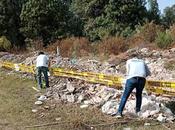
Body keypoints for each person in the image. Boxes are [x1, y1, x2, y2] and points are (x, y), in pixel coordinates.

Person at [115, 54, 151, 118]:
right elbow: (148, 73)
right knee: (139, 95)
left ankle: (119, 112)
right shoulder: (142, 61)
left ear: (131, 57)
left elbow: (128, 72)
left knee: (125, 96)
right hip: (142, 79)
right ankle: (138, 111)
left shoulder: (129, 61)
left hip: (132, 79)